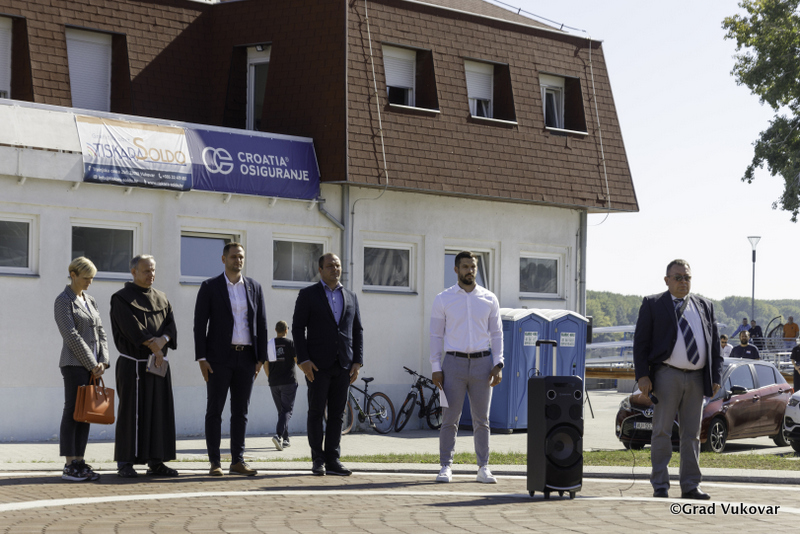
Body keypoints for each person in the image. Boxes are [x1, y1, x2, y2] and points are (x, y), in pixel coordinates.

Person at [633, 259, 722, 500]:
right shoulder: (653, 304)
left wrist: (716, 375)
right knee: (662, 431)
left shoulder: (704, 305)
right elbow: (640, 342)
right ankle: (660, 485)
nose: (684, 282)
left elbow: (715, 345)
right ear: (667, 280)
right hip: (666, 375)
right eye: (678, 277)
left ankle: (691, 485)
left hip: (697, 378)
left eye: (687, 277)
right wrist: (642, 375)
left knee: (692, 434)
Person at [194, 242, 267, 477]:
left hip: (247, 358)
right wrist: (202, 358)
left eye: (241, 256)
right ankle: (215, 462)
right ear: (223, 259)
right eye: (234, 256)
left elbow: (262, 324)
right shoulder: (210, 287)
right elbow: (199, 324)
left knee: (241, 412)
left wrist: (260, 359)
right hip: (218, 359)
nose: (238, 260)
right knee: (214, 410)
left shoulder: (254, 287)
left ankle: (237, 461)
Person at [430, 251, 504, 484]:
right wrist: (435, 366)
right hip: (453, 364)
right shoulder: (443, 299)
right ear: (456, 270)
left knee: (482, 419)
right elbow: (435, 335)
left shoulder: (489, 298)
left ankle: (483, 467)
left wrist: (498, 363)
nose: (470, 271)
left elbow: (496, 334)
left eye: (473, 267)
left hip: (483, 364)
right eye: (465, 267)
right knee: (449, 418)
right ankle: (445, 466)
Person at [292, 253, 363, 476]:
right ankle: (318, 459)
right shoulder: (308, 294)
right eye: (330, 265)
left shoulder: (350, 296)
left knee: (337, 415)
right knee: (315, 412)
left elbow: (357, 330)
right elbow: (297, 329)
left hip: (343, 365)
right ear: (320, 269)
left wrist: (357, 361)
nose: (335, 269)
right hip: (317, 366)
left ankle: (333, 459)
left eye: (338, 265)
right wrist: (303, 360)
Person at [110, 254, 178, 478]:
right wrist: (153, 346)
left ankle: (156, 461)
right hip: (133, 365)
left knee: (159, 411)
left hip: (157, 364)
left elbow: (171, 326)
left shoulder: (162, 297)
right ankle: (126, 461)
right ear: (134, 272)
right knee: (131, 413)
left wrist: (163, 341)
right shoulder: (121, 298)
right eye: (146, 270)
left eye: (153, 270)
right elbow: (132, 328)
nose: (151, 274)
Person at [54, 257, 109, 482]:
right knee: (73, 412)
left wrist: (103, 360)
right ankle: (69, 465)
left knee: (86, 414)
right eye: (86, 278)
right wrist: (91, 363)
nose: (89, 282)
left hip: (93, 367)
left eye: (92, 278)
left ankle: (80, 461)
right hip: (74, 365)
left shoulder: (90, 300)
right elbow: (71, 335)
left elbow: (101, 332)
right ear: (73, 275)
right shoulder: (63, 300)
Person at [266, 320, 298, 451]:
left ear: (275, 330)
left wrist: (270, 377)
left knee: (282, 411)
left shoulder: (270, 344)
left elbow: (266, 364)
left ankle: (286, 439)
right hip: (288, 382)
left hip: (274, 383)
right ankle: (278, 435)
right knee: (286, 410)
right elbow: (297, 361)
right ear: (286, 330)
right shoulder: (290, 343)